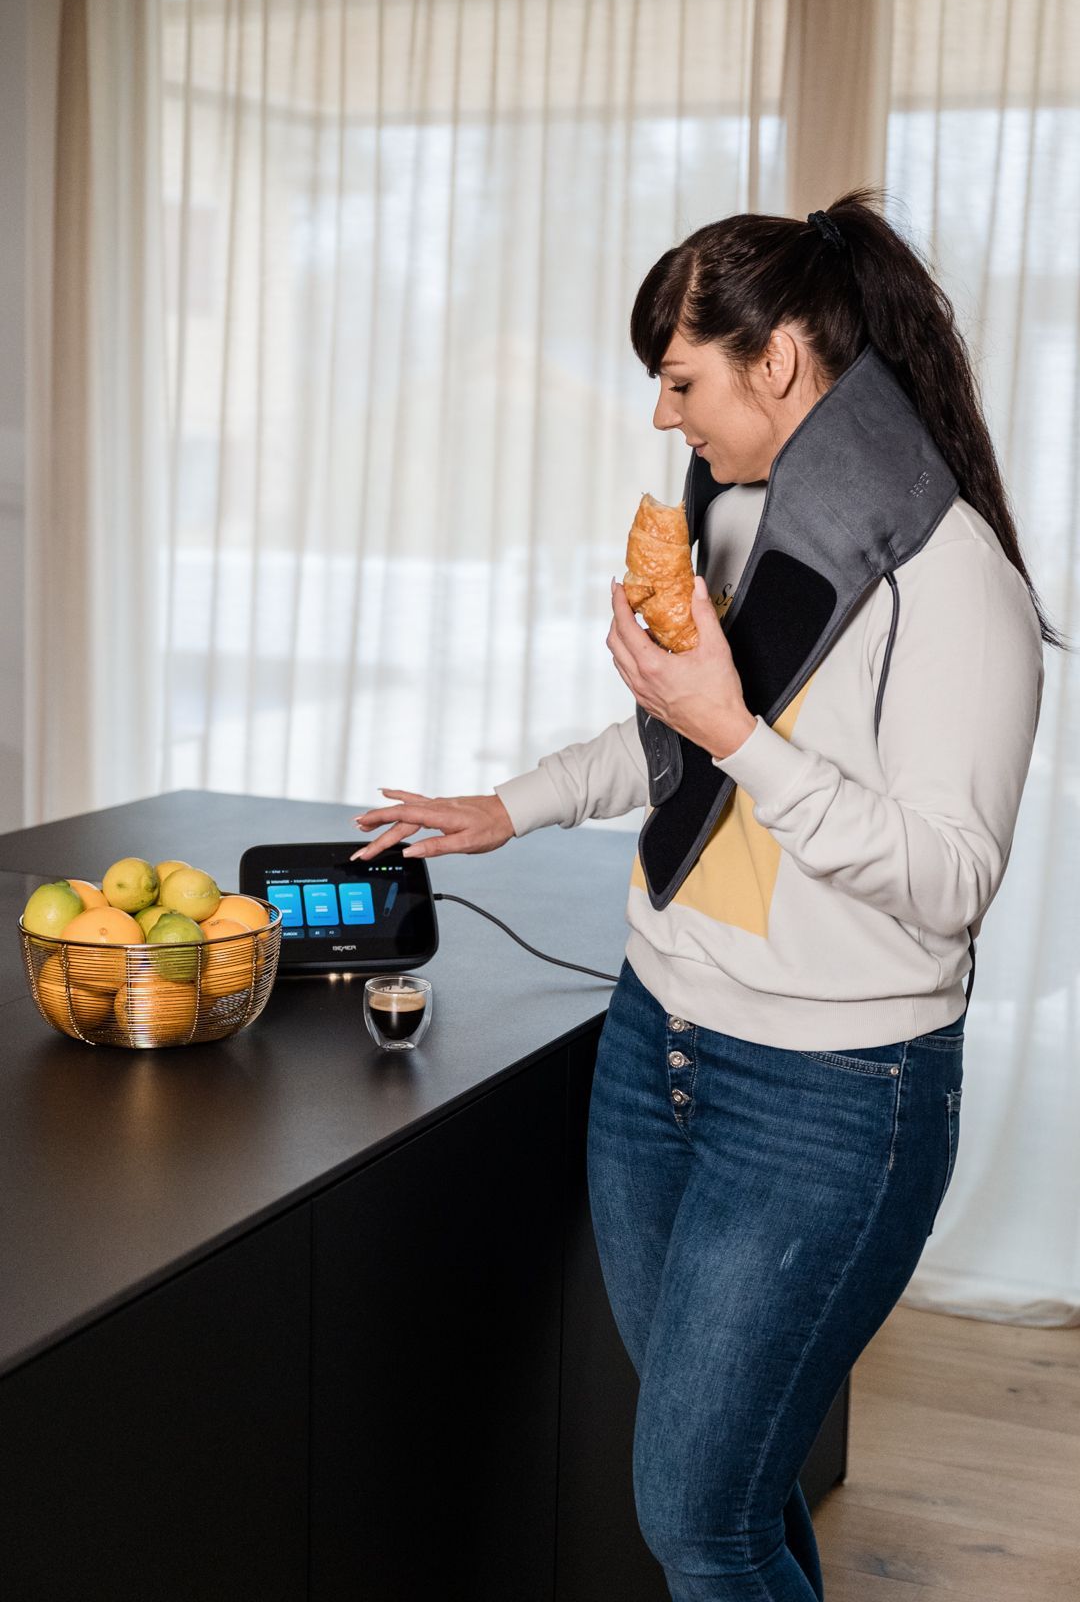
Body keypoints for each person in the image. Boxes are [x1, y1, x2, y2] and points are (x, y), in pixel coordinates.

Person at [352, 188, 1062, 1601]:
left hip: (830, 1102)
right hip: (654, 1053)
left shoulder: (952, 581)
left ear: (778, 361)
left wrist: (737, 731)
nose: (663, 416)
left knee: (696, 1517)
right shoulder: (738, 524)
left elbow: (949, 880)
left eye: (681, 382)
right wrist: (511, 806)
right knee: (734, 1493)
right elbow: (676, 742)